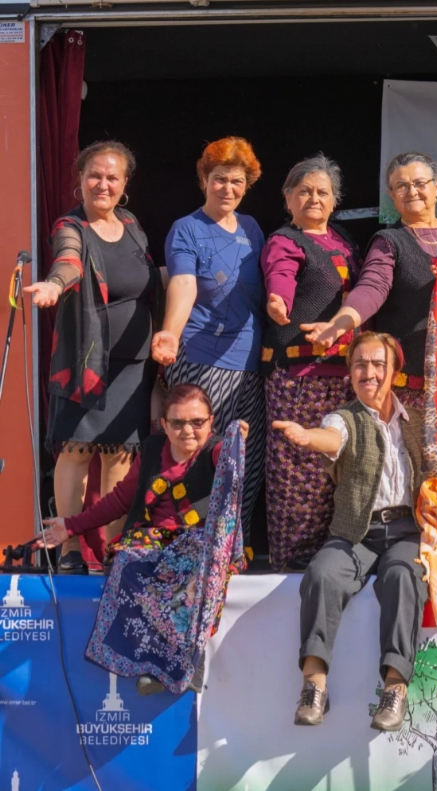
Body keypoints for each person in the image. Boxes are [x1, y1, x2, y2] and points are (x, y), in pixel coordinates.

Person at [35, 384, 248, 694]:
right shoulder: (151, 450)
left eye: (197, 422)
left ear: (210, 421)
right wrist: (71, 525)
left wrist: (236, 439)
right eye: (177, 422)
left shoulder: (217, 450)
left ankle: (185, 662)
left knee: (195, 572)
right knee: (128, 566)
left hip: (197, 541)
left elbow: (232, 461)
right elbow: (120, 499)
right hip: (150, 539)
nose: (188, 430)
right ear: (164, 424)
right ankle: (160, 666)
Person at [272, 332, 427, 731]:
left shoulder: (416, 422)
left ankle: (394, 689)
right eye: (360, 364)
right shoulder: (344, 418)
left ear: (394, 371)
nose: (369, 372)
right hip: (356, 532)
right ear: (350, 372)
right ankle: (314, 685)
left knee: (403, 576)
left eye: (378, 364)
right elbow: (332, 438)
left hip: (407, 531)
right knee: (323, 574)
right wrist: (308, 438)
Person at [27, 140, 163, 573]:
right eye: (94, 175)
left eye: (112, 177)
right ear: (80, 180)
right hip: (85, 361)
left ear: (124, 185)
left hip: (133, 364)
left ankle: (110, 552)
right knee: (77, 450)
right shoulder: (71, 225)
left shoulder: (132, 224)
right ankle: (68, 551)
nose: (102, 184)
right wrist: (53, 284)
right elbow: (68, 261)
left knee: (119, 455)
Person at [155, 137, 267, 532]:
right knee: (196, 454)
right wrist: (170, 334)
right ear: (204, 179)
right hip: (201, 357)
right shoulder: (187, 229)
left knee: (245, 457)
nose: (228, 189)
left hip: (249, 364)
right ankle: (188, 540)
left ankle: (235, 542)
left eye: (237, 181)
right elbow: (183, 285)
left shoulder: (252, 229)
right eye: (220, 179)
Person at [300, 152, 437, 411]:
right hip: (410, 385)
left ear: (436, 186)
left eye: (420, 183)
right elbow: (371, 288)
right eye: (401, 186)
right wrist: (338, 325)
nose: (412, 191)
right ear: (391, 194)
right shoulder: (389, 242)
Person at [259, 155, 359, 570]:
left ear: (335, 201)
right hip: (300, 378)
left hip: (345, 377)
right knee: (298, 474)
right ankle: (293, 565)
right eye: (305, 191)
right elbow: (280, 273)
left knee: (337, 473)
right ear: (288, 198)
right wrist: (278, 299)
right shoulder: (284, 240)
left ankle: (331, 564)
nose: (314, 198)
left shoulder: (344, 242)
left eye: (322, 192)